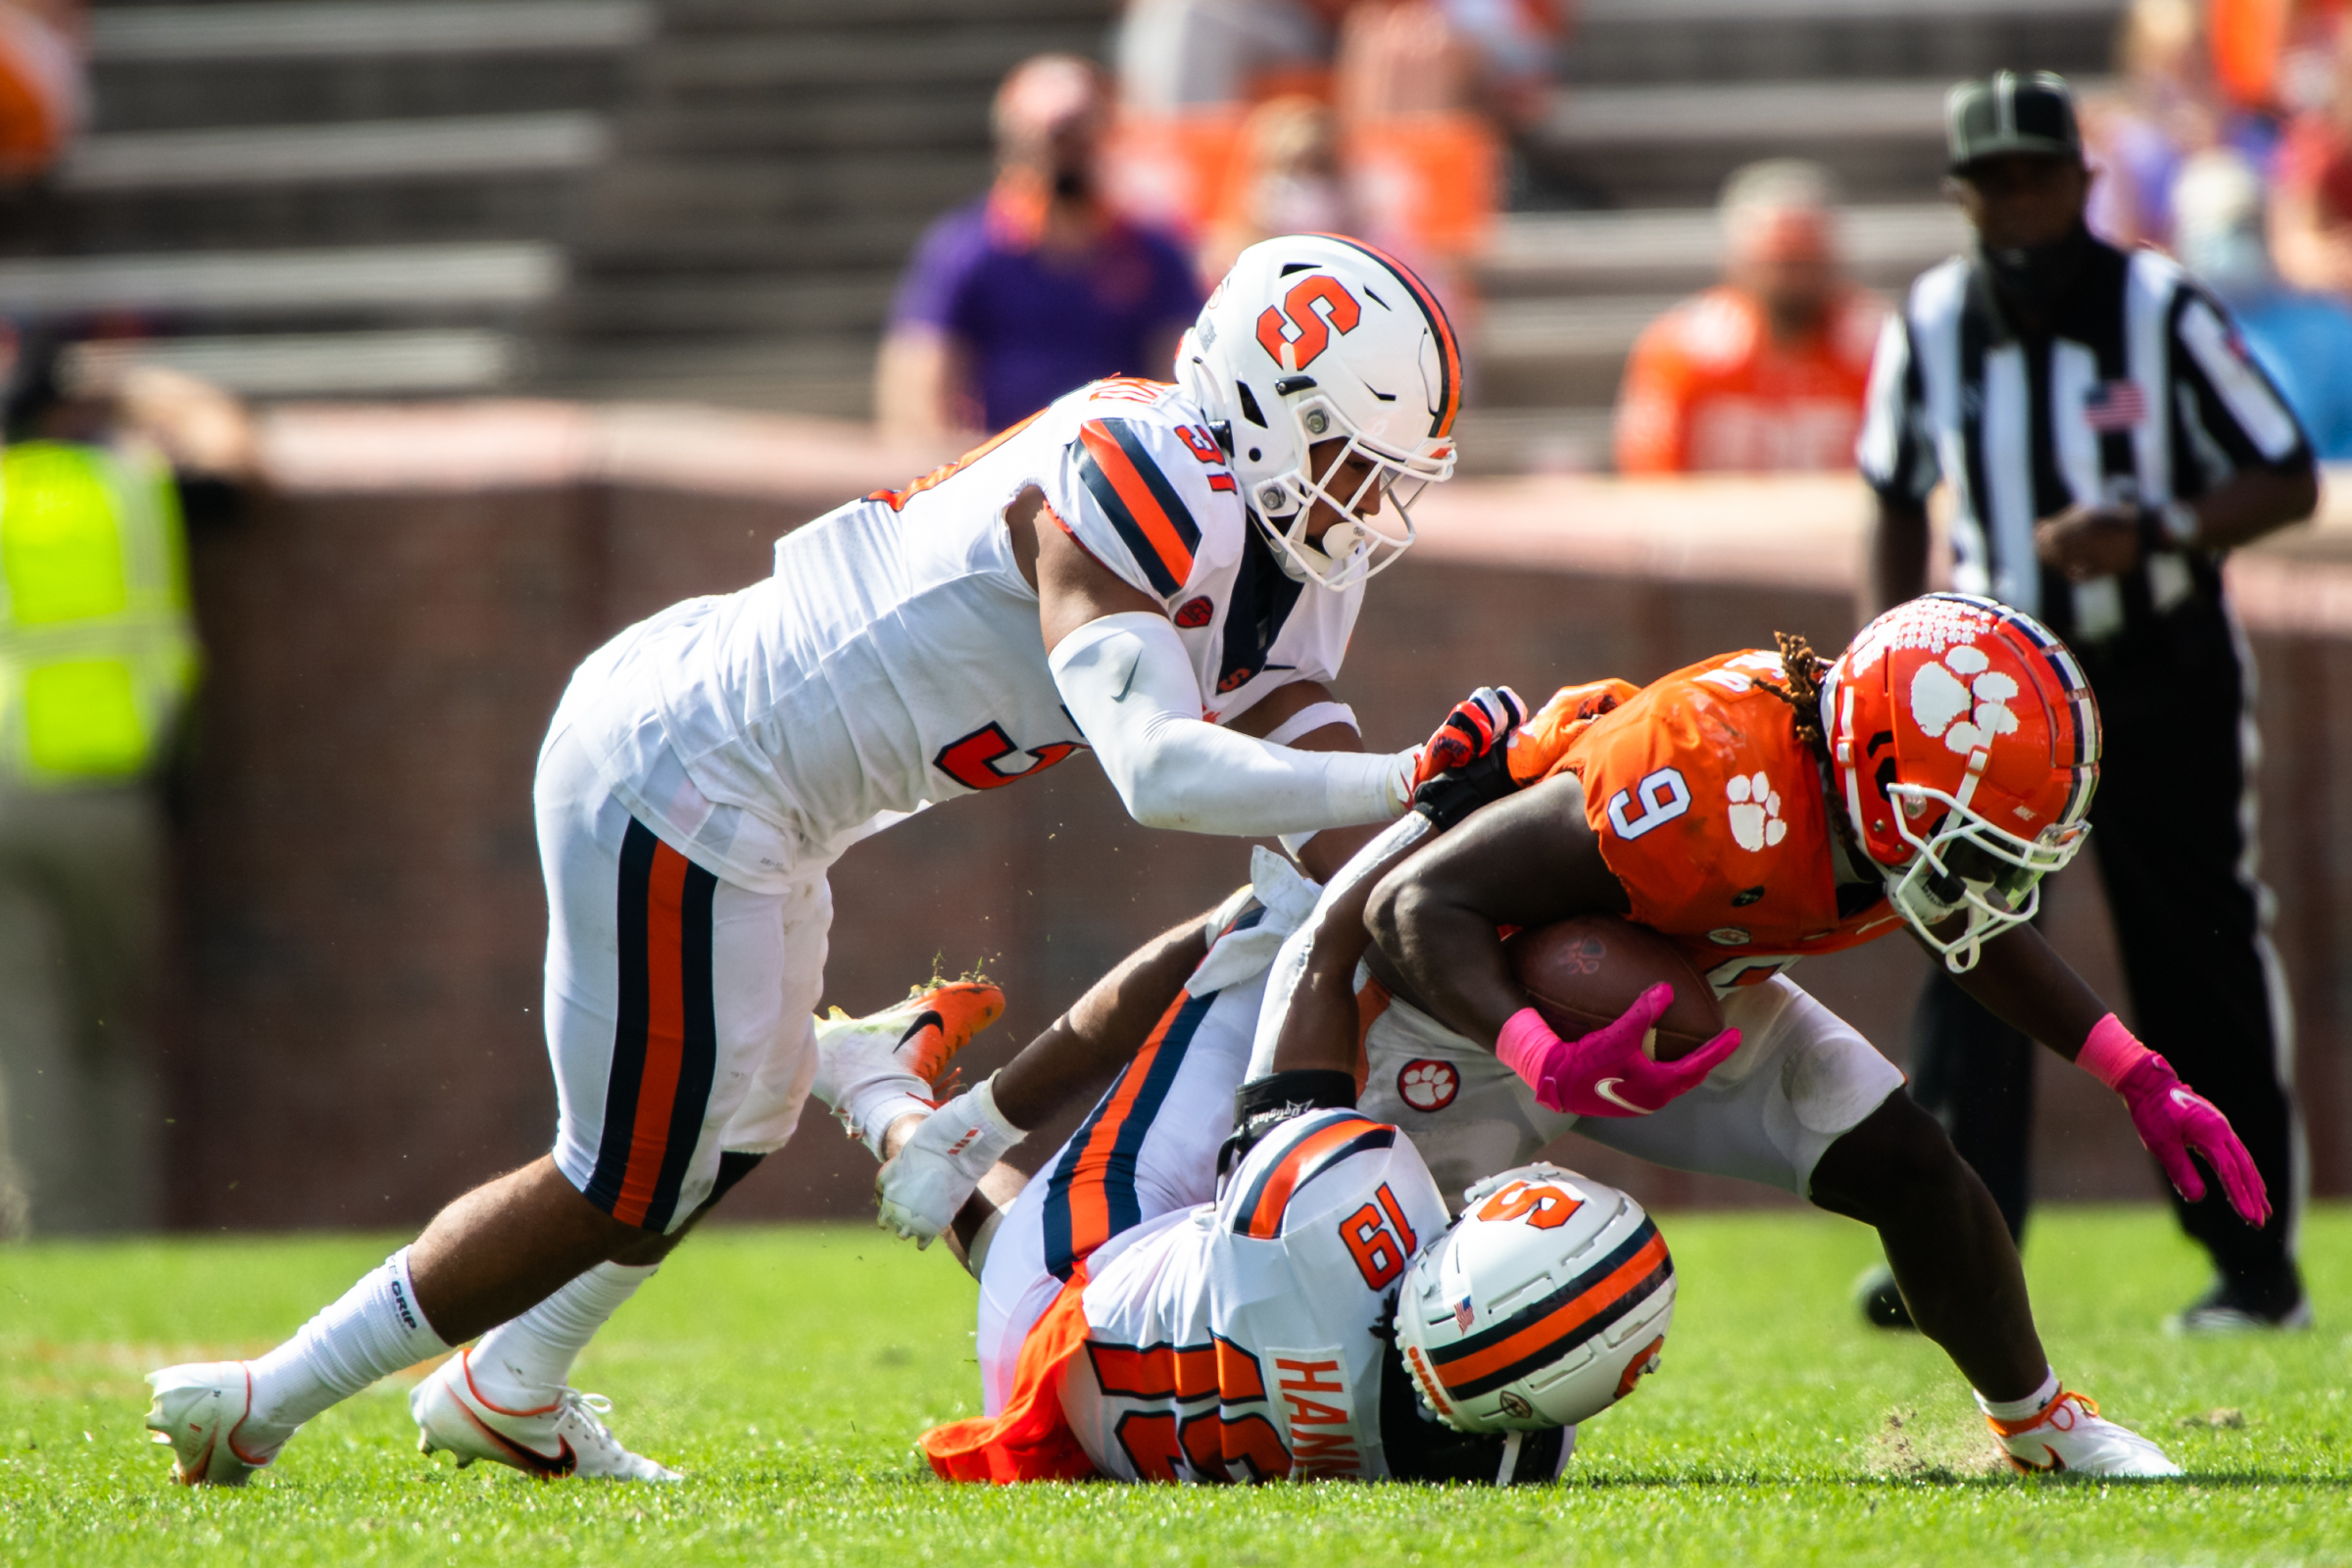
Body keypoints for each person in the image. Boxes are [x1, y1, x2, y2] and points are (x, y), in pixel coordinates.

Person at [142, 232, 1509, 1486]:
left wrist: (1511, 803)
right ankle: (264, 1396)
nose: (1367, 503)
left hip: (772, 800)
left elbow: (1318, 823)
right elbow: (1158, 771)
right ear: (1264, 407)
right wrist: (1410, 776)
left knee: (732, 1128)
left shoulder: (1285, 554)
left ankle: (509, 1384)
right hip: (688, 771)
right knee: (620, 1174)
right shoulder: (1142, 472)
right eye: (1347, 457)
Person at [1237, 600, 2263, 1477]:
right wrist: (1536, 1053)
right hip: (1457, 1015)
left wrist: (2136, 1074)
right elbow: (1414, 905)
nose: (1985, 875)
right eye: (1970, 841)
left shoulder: (1872, 794)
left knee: (1908, 1162)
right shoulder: (1694, 777)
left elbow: (1968, 927)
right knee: (1374, 1351)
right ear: (1875, 775)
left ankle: (2040, 1426)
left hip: (1679, 997)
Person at [1859, 73, 2318, 1333]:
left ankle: (2253, 1262)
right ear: (1962, 196)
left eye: (2036, 174)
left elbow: (2284, 475)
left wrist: (2157, 529)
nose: (2017, 201)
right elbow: (1893, 490)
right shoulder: (1933, 316)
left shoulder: (2160, 303)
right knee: (1967, 954)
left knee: (2198, 950)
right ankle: (1952, 1244)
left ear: (2081, 179)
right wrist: (1882, 656)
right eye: (1990, 180)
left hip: (2157, 660)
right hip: (1987, 692)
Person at [825, 849, 1665, 1485]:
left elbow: (1322, 958)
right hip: (1099, 1431)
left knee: (1265, 923)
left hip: (1072, 1299)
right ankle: (882, 1092)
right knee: (1072, 1260)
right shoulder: (1516, 1460)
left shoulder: (1342, 1214)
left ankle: (902, 1100)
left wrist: (1430, 830)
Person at [0, 333, 248, 1239]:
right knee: (109, 1033)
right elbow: (230, 452)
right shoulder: (134, 487)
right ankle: (112, 1228)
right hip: (110, 799)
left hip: (4, 791)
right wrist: (134, 383)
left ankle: (48, 1233)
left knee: (21, 1037)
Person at [876, 55, 1204, 442]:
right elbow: (917, 383)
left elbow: (1182, 376)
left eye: (1076, 137)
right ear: (1012, 144)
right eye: (1049, 139)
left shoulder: (1154, 254)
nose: (1063, 155)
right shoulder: (967, 252)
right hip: (1001, 471)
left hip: (1123, 468)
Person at [1612, 160, 1884, 474]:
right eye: (1779, 263)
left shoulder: (1878, 347)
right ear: (1736, 259)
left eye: (1806, 262)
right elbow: (1650, 475)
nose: (1792, 282)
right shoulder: (1682, 349)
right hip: (1711, 522)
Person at [2174, 146, 2352, 459]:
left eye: (2240, 226)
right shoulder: (2167, 336)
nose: (2219, 243)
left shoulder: (2329, 330)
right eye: (2203, 230)